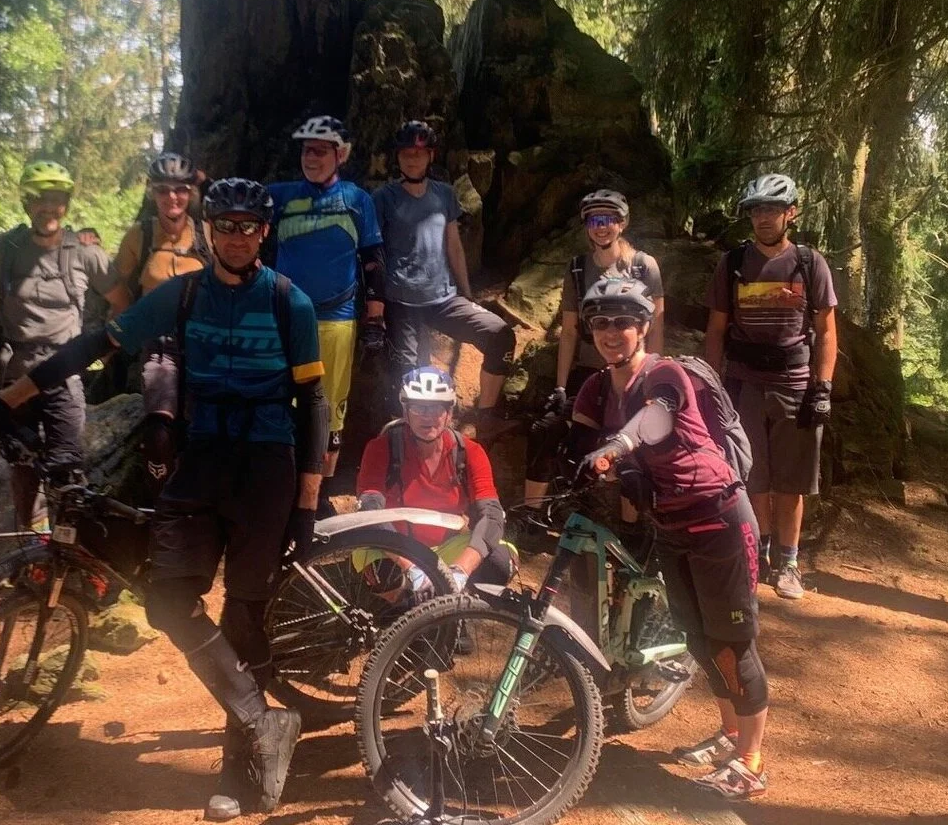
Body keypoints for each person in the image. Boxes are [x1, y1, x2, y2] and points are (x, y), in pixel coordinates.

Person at [0, 177, 328, 823]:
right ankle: (260, 718)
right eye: (226, 225)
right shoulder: (183, 293)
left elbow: (316, 409)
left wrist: (307, 503)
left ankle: (240, 766)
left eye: (250, 225)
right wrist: (9, 399)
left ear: (264, 233)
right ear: (209, 228)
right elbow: (90, 346)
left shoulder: (290, 303)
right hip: (202, 463)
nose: (238, 235)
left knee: (245, 618)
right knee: (166, 597)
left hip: (267, 469)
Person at [572, 278, 769, 800]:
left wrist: (615, 448)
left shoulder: (664, 372)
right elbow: (580, 433)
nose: (612, 332)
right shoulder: (600, 386)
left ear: (642, 327)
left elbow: (653, 420)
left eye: (623, 321)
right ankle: (730, 735)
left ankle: (751, 762)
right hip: (673, 527)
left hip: (719, 519)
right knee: (701, 641)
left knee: (733, 645)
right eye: (601, 323)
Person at [0, 159, 128, 531]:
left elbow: (122, 301)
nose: (49, 207)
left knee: (67, 465)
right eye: (40, 198)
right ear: (27, 203)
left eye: (57, 198)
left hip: (65, 371)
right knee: (23, 463)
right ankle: (29, 543)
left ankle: (65, 554)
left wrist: (104, 349)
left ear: (67, 203)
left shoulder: (86, 253)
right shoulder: (7, 247)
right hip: (15, 372)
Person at [704, 174, 838, 600]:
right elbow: (716, 328)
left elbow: (826, 329)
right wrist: (711, 383)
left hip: (795, 385)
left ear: (790, 213)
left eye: (772, 209)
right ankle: (756, 554)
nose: (763, 218)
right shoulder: (734, 262)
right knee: (752, 475)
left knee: (791, 482)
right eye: (756, 210)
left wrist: (823, 387)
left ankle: (789, 562)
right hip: (744, 383)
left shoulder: (809, 262)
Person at [522, 188, 665, 527]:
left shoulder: (645, 266)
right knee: (548, 428)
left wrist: (655, 374)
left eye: (610, 219)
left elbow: (657, 325)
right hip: (589, 371)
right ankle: (532, 514)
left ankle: (632, 529)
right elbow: (569, 330)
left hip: (635, 371)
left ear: (623, 223)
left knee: (635, 444)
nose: (602, 227)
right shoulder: (576, 269)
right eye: (595, 220)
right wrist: (560, 388)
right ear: (586, 226)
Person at [268, 115, 386, 506]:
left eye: (320, 150)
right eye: (306, 150)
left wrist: (375, 317)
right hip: (285, 319)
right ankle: (282, 483)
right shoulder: (280, 196)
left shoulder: (357, 200)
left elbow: (372, 260)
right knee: (282, 402)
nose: (311, 157)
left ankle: (320, 494)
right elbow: (231, 214)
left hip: (336, 319)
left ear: (342, 154)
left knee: (331, 409)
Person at [373, 121, 514, 432]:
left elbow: (454, 245)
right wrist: (376, 304)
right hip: (402, 302)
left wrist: (466, 292)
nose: (412, 159)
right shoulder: (384, 198)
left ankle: (486, 417)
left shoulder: (444, 195)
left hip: (444, 299)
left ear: (431, 156)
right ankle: (407, 438)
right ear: (398, 157)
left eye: (419, 153)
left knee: (499, 334)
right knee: (411, 376)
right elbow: (373, 252)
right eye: (406, 153)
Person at [356, 365, 514, 593]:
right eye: (419, 407)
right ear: (405, 410)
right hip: (391, 545)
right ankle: (399, 616)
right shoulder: (381, 448)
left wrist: (461, 570)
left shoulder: (470, 452)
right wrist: (410, 567)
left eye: (436, 408)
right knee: (387, 574)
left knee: (500, 561)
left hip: (447, 545)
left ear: (449, 413)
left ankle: (450, 606)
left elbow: (491, 514)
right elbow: (369, 510)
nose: (427, 416)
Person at [113, 151, 211, 501]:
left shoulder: (206, 234)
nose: (172, 197)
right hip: (159, 344)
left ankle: (202, 503)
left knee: (205, 426)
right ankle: (162, 506)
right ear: (152, 193)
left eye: (181, 189)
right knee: (159, 429)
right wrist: (130, 326)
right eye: (163, 190)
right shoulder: (138, 236)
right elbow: (113, 286)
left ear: (190, 193)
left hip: (204, 344)